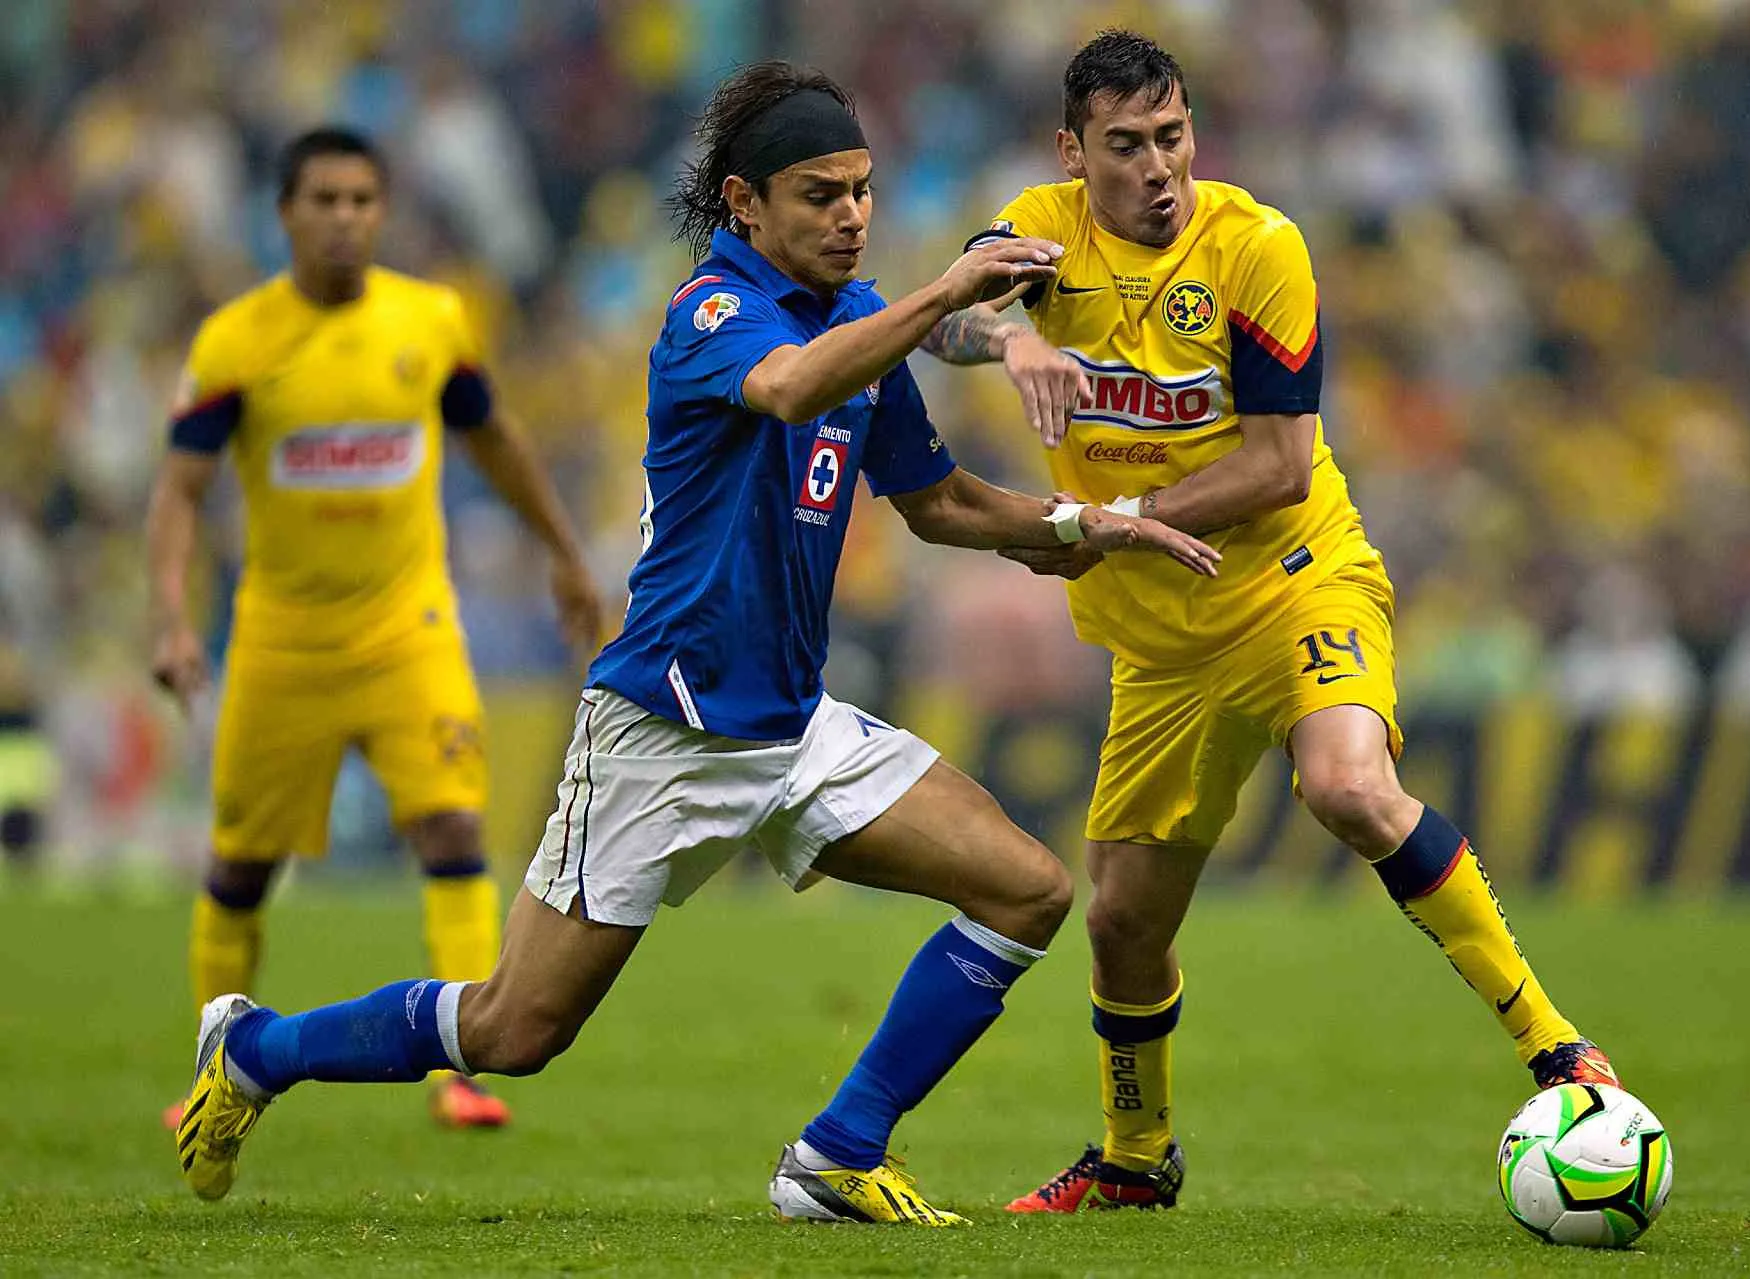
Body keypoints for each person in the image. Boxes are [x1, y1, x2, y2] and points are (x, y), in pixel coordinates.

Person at [172, 61, 1221, 1224]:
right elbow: (784, 389)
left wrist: (1085, 525)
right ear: (744, 204)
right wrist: (940, 300)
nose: (853, 215)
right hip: (664, 731)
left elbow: (938, 503)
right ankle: (260, 1047)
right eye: (821, 194)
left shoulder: (858, 319)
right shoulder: (713, 315)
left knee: (1027, 890)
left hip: (792, 723)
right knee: (514, 1030)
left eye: (864, 190)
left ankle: (835, 1153)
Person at [921, 30, 1620, 1214]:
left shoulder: (1255, 247)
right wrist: (1014, 333)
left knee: (1347, 786)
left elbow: (1283, 465)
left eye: (1173, 137)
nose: (1159, 168)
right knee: (1124, 922)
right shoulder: (1041, 227)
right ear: (1073, 151)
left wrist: (1119, 515)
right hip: (1159, 643)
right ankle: (1136, 1161)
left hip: (1295, 579)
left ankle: (1557, 1046)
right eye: (1127, 145)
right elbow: (944, 316)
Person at [148, 127, 602, 1132]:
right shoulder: (238, 341)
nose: (345, 217)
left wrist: (566, 553)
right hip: (282, 641)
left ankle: (462, 1071)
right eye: (325, 200)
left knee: (450, 827)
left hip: (410, 630)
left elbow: (498, 440)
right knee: (241, 867)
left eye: (363, 200)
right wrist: (174, 618)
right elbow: (179, 490)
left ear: (382, 210)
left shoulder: (431, 321)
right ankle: (214, 1065)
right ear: (286, 214)